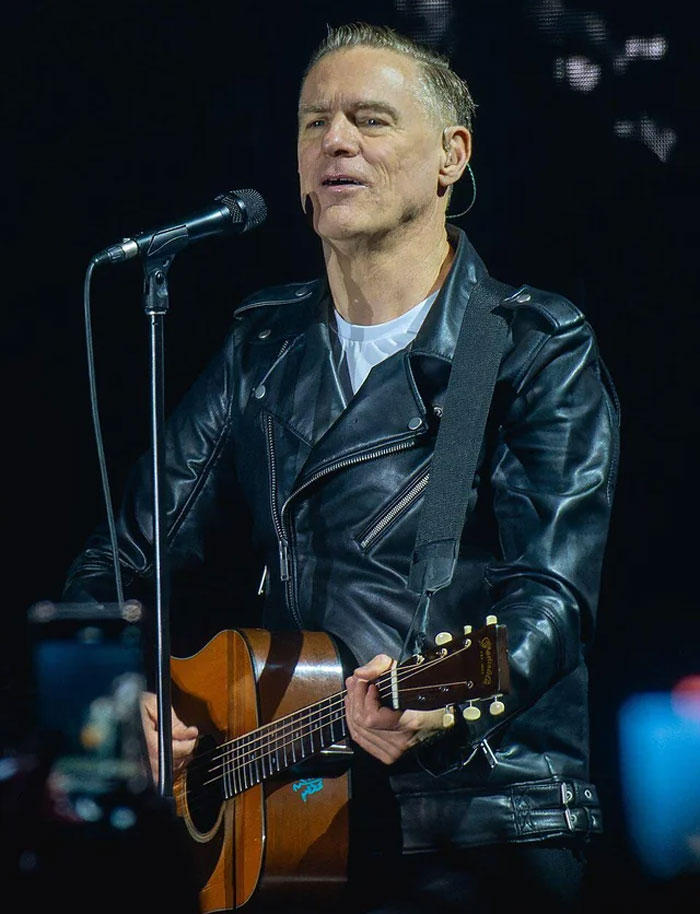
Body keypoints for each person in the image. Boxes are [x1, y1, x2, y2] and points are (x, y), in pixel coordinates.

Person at [64, 22, 619, 913]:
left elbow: (552, 597)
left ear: (451, 156)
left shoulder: (515, 345)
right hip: (286, 822)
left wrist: (439, 699)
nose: (335, 141)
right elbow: (118, 563)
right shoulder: (262, 348)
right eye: (313, 122)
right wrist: (116, 698)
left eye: (370, 119)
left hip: (474, 818)